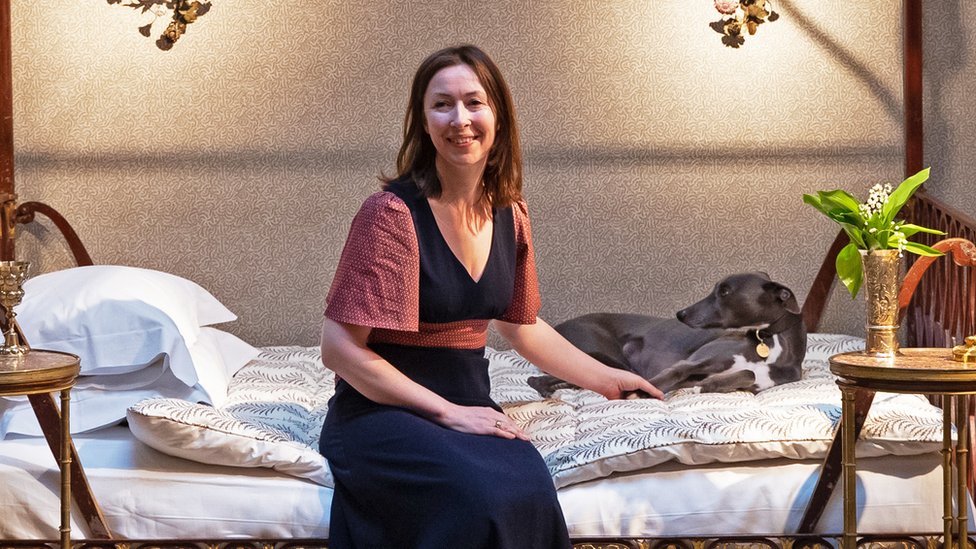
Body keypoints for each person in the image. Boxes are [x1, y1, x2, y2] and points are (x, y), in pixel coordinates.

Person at [319, 44, 662, 549]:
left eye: (474, 102)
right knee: (483, 499)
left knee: (530, 493)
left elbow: (522, 325)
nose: (460, 119)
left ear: (498, 115)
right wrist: (447, 412)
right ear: (423, 121)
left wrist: (608, 380)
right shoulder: (391, 214)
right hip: (382, 410)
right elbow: (338, 349)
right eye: (442, 105)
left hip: (470, 399)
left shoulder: (510, 212)